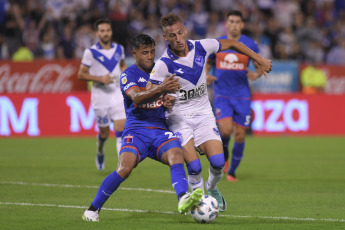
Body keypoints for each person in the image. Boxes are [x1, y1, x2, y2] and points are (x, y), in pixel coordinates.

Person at [150, 13, 272, 212]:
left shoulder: (201, 46)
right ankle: (199, 205)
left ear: (185, 30)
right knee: (195, 167)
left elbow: (232, 43)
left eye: (180, 32)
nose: (178, 38)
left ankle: (212, 188)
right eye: (172, 35)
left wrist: (259, 59)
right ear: (165, 37)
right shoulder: (163, 65)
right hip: (179, 118)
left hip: (204, 115)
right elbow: (149, 91)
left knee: (217, 162)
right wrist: (161, 98)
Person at [82, 34, 203, 222]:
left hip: (160, 131)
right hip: (136, 131)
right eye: (145, 52)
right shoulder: (128, 75)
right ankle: (92, 209)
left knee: (176, 154)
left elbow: (170, 98)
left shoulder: (161, 71)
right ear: (135, 53)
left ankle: (183, 198)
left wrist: (168, 100)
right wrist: (161, 89)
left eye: (152, 52)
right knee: (124, 168)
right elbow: (137, 97)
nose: (149, 56)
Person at [205, 10, 264, 182]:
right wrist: (206, 76)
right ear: (227, 23)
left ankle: (232, 171)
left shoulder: (250, 44)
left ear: (242, 25)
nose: (234, 24)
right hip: (222, 95)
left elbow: (260, 64)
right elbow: (208, 63)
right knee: (225, 130)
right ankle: (224, 157)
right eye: (231, 21)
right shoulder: (218, 43)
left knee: (239, 135)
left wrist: (256, 74)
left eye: (238, 21)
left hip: (243, 96)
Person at [78, 18, 126, 171]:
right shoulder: (90, 53)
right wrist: (100, 79)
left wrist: (128, 76)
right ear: (97, 33)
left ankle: (122, 166)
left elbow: (122, 65)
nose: (106, 34)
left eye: (108, 30)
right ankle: (100, 149)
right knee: (104, 133)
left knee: (120, 130)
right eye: (102, 31)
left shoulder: (119, 49)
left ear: (111, 31)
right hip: (100, 97)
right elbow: (81, 74)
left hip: (117, 94)